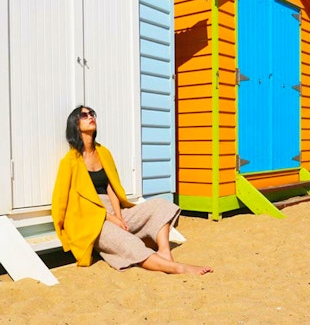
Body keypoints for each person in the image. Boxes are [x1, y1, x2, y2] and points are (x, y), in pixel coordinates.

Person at [52, 105, 213, 275]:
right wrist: (66, 232)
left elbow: (111, 186)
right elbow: (60, 200)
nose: (91, 117)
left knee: (160, 205)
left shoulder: (103, 152)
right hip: (90, 219)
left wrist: (119, 216)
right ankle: (177, 268)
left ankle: (164, 251)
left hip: (113, 210)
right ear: (75, 125)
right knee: (127, 242)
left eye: (92, 113)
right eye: (84, 115)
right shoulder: (69, 162)